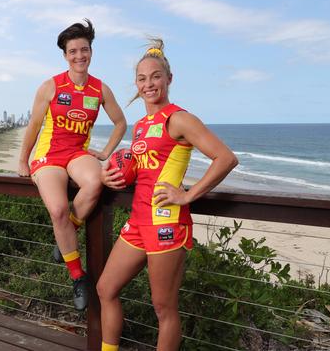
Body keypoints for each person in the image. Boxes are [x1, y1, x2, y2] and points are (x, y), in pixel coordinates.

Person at [98, 39, 238, 350]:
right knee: (106, 288)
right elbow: (142, 168)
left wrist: (188, 195)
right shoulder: (141, 125)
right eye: (143, 78)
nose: (149, 84)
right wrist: (112, 176)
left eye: (156, 76)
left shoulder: (180, 119)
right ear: (136, 83)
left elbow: (225, 158)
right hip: (137, 221)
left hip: (167, 225)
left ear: (169, 79)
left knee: (164, 308)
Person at [18, 19, 126, 311]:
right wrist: (22, 159)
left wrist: (105, 152)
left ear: (91, 51)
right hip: (49, 156)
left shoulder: (99, 89)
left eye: (84, 49)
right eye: (73, 51)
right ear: (65, 55)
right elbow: (34, 125)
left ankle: (66, 232)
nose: (79, 55)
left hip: (78, 153)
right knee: (58, 210)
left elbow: (120, 123)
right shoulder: (51, 86)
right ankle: (77, 276)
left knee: (96, 181)